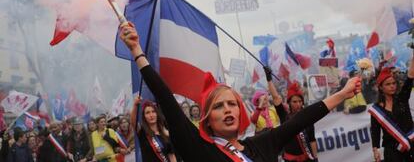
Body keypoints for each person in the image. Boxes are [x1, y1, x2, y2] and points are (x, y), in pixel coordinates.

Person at [120, 22, 361, 162]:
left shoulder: (260, 145)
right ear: (207, 119)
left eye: (231, 104)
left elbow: (299, 120)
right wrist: (137, 51)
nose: (227, 109)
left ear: (240, 111)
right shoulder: (198, 149)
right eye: (218, 106)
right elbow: (166, 99)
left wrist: (343, 93)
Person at [369, 55, 414, 162]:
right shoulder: (376, 110)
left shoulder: (402, 98)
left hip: (411, 146)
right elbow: (375, 132)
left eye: (393, 83)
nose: (392, 86)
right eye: (388, 84)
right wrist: (375, 150)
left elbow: (410, 76)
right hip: (392, 152)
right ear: (381, 87)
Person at [277, 81, 318, 162]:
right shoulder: (285, 117)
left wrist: (315, 158)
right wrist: (269, 80)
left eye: (300, 101)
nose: (298, 104)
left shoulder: (308, 118)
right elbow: (275, 98)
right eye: (294, 102)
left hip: (307, 158)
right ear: (289, 103)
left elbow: (312, 140)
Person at [130, 97, 178, 162]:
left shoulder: (165, 133)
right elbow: (133, 122)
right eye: (147, 113)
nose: (151, 115)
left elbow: (171, 156)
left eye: (153, 111)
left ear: (157, 114)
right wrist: (135, 105)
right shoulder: (142, 132)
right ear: (144, 117)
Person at [250, 69, 283, 133]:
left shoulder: (272, 110)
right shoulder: (254, 114)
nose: (266, 101)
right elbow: (254, 120)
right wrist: (260, 105)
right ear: (257, 102)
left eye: (266, 99)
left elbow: (282, 115)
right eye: (263, 100)